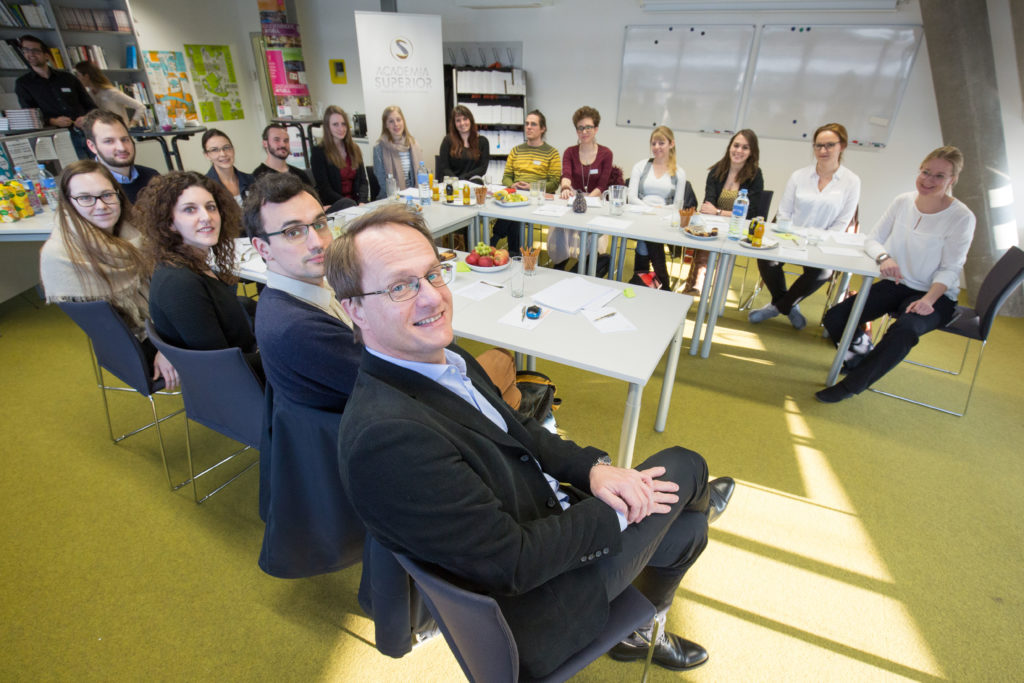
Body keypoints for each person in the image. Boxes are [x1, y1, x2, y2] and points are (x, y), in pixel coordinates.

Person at [326, 204, 735, 679]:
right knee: (687, 467)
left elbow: (519, 434)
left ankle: (643, 622)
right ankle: (698, 505)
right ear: (353, 307)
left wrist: (593, 470)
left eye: (434, 274)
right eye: (401, 286)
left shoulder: (444, 358)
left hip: (546, 522)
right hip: (539, 605)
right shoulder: (388, 439)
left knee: (687, 533)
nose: (432, 298)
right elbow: (514, 562)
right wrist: (622, 508)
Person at [242, 172, 363, 579]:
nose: (318, 241)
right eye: (293, 232)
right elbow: (395, 382)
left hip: (351, 413)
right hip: (370, 434)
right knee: (494, 367)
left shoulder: (292, 294)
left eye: (320, 223)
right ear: (263, 248)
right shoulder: (295, 326)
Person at [816, 146, 975, 403]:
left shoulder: (961, 217)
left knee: (904, 330)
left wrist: (928, 301)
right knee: (836, 317)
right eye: (925, 172)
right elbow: (872, 239)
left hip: (936, 295)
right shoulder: (902, 201)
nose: (928, 180)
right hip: (898, 283)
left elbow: (951, 268)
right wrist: (884, 257)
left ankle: (849, 387)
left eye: (939, 176)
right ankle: (864, 361)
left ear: (952, 180)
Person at [39, 160, 176, 389]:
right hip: (138, 345)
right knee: (227, 325)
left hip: (148, 330)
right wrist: (167, 346)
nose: (101, 205)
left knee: (230, 310)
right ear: (68, 203)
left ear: (118, 195)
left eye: (106, 195)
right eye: (85, 198)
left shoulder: (130, 234)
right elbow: (115, 327)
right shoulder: (63, 254)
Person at [137, 171, 262, 379]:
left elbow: (228, 307)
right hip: (244, 386)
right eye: (190, 210)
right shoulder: (179, 284)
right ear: (169, 222)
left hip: (247, 358)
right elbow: (222, 366)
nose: (206, 217)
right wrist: (281, 356)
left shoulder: (191, 264)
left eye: (210, 207)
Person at [749, 122, 861, 329]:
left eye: (829, 145)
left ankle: (778, 307)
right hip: (791, 237)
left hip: (822, 243)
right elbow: (784, 212)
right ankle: (789, 306)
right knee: (766, 259)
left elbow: (842, 222)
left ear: (842, 146)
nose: (823, 150)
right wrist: (792, 237)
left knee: (822, 273)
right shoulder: (799, 176)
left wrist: (815, 241)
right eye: (818, 145)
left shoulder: (851, 181)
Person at [688, 129, 765, 295]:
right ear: (730, 146)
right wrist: (719, 213)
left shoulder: (755, 176)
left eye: (745, 147)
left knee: (724, 245)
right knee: (704, 239)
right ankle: (697, 284)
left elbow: (750, 213)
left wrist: (718, 212)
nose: (738, 151)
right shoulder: (716, 172)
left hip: (738, 229)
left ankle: (711, 288)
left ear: (751, 152)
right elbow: (708, 206)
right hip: (715, 224)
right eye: (736, 145)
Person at [551, 106, 617, 270]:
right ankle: (559, 265)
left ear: (596, 129)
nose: (584, 131)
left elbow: (602, 185)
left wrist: (585, 200)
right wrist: (566, 187)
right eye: (580, 128)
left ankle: (585, 267)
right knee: (560, 229)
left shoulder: (606, 153)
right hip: (574, 199)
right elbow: (565, 174)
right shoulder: (570, 152)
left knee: (590, 235)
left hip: (594, 201)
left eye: (588, 127)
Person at [15, 34, 95, 160]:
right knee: (79, 172)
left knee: (103, 169)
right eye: (26, 50)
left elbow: (90, 105)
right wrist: (52, 121)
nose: (31, 54)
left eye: (35, 50)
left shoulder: (68, 78)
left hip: (85, 131)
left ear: (46, 55)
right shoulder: (24, 83)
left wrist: (86, 118)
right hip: (58, 137)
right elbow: (30, 115)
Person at [627, 126, 686, 290]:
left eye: (661, 143)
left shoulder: (679, 173)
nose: (657, 147)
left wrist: (658, 213)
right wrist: (649, 210)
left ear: (671, 144)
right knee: (650, 236)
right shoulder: (640, 166)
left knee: (648, 238)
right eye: (654, 143)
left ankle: (640, 278)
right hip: (639, 215)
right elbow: (631, 197)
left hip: (663, 220)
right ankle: (663, 285)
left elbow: (677, 205)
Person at [494, 109, 561, 255]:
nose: (528, 127)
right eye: (527, 124)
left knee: (513, 211)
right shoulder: (516, 150)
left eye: (533, 124)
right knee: (514, 209)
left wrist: (532, 187)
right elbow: (506, 177)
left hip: (537, 198)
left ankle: (497, 239)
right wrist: (512, 184)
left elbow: (554, 183)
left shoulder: (552, 153)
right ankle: (514, 252)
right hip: (516, 194)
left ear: (543, 129)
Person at [82, 109, 160, 204]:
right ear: (92, 146)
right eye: (109, 141)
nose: (121, 148)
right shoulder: (87, 189)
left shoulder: (151, 177)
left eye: (124, 139)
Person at [310, 105, 372, 207]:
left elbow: (363, 181)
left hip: (357, 205)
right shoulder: (319, 152)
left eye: (343, 124)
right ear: (327, 127)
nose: (341, 128)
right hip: (336, 205)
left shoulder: (354, 149)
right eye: (335, 124)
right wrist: (349, 204)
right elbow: (325, 190)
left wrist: (362, 201)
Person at [72, 61, 146, 128]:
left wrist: (131, 125)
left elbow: (140, 107)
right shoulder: (89, 94)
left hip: (119, 131)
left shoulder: (111, 92)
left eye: (78, 75)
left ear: (86, 76)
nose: (77, 79)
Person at [372, 105, 423, 199]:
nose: (396, 124)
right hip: (390, 199)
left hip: (415, 196)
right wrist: (400, 198)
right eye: (391, 121)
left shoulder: (414, 144)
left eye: (398, 120)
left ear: (403, 121)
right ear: (386, 125)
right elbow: (383, 183)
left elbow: (422, 175)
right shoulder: (379, 148)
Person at [201, 129, 256, 206]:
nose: (223, 154)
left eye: (226, 147)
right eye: (214, 150)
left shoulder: (251, 180)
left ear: (233, 149)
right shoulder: (204, 187)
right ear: (207, 155)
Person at [437, 105, 489, 181]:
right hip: (453, 184)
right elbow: (444, 168)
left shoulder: (483, 142)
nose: (462, 123)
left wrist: (464, 179)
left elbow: (482, 168)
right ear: (454, 123)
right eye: (458, 120)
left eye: (465, 119)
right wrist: (456, 181)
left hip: (473, 183)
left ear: (470, 120)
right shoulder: (447, 141)